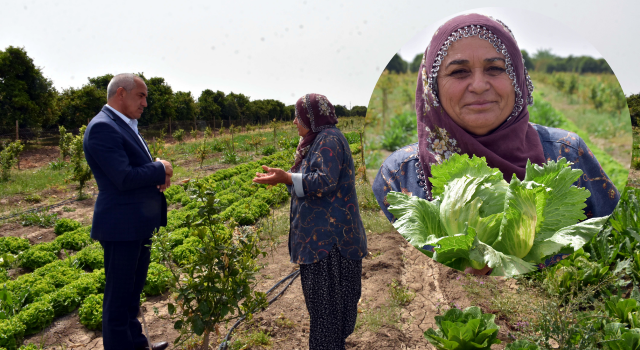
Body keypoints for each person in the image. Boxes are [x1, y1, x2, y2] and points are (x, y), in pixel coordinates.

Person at [372, 14, 620, 275]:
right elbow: (387, 277)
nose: (479, 85)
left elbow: (615, 247)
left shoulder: (567, 153)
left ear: (517, 79)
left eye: (495, 68)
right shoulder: (400, 175)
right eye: (459, 72)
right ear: (432, 87)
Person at [252, 93, 367, 350]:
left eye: (298, 116)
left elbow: (325, 180)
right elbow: (310, 180)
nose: (294, 121)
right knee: (327, 316)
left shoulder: (329, 139)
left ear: (311, 117)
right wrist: (285, 179)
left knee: (327, 317)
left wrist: (286, 178)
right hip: (323, 244)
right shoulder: (317, 140)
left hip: (330, 246)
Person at [84, 73, 171, 350]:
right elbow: (122, 176)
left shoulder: (125, 124)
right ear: (121, 93)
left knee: (132, 294)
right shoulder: (102, 127)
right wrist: (161, 167)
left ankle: (136, 344)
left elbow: (134, 167)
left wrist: (156, 166)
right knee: (118, 297)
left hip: (136, 224)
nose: (145, 103)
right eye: (141, 96)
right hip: (121, 227)